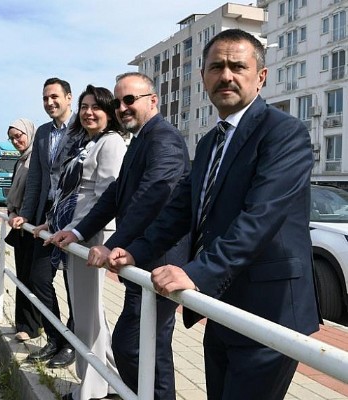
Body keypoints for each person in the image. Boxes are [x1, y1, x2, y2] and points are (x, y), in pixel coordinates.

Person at [107, 29, 321, 400]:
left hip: (270, 312)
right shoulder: (210, 142)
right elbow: (180, 208)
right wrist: (136, 250)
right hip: (221, 304)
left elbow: (260, 219)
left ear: (261, 77)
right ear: (204, 77)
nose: (227, 75)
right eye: (216, 66)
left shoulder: (284, 134)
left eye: (238, 66)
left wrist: (194, 273)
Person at [50, 72, 190, 400]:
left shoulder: (163, 138)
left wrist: (111, 244)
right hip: (142, 262)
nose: (123, 107)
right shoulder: (141, 139)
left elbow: (151, 196)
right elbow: (116, 195)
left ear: (153, 101)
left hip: (160, 261)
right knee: (146, 348)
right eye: (118, 101)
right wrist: (77, 231)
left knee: (134, 347)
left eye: (130, 99)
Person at [36, 85, 126, 400]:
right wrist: (55, 222)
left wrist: (74, 230)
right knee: (90, 314)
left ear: (110, 111)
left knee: (89, 315)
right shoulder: (91, 142)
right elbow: (73, 193)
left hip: (92, 236)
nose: (88, 112)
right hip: (77, 233)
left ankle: (92, 390)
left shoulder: (112, 142)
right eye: (85, 106)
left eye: (96, 107)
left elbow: (103, 196)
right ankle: (109, 381)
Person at [9, 77, 78, 368]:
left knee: (74, 284)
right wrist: (27, 214)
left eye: (54, 97)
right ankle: (55, 337)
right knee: (38, 279)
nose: (50, 102)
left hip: (75, 216)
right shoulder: (42, 134)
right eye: (45, 98)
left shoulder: (83, 128)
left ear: (68, 98)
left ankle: (72, 342)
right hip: (44, 217)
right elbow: (35, 179)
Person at [4, 118, 42, 342]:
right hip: (19, 224)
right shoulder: (21, 161)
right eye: (12, 138)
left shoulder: (35, 159)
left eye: (19, 136)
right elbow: (14, 194)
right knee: (23, 276)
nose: (16, 141)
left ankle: (31, 326)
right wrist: (11, 212)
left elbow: (35, 192)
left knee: (33, 278)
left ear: (29, 133)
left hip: (31, 226)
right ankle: (24, 324)